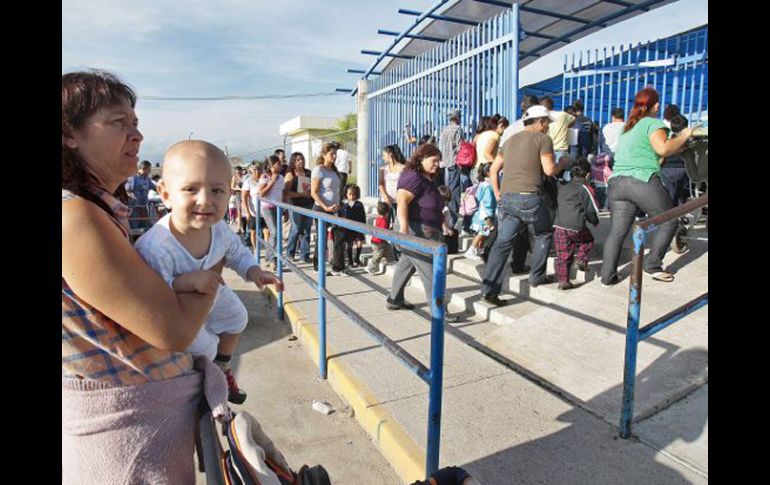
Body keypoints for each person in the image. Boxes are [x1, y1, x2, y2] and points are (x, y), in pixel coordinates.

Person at [62, 70, 226, 483]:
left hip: (138, 427)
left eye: (135, 123)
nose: (136, 135)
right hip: (128, 440)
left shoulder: (93, 210)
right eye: (118, 123)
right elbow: (172, 330)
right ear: (69, 134)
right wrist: (215, 260)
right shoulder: (74, 216)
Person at [134, 140, 284, 404]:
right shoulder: (157, 246)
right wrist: (188, 281)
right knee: (205, 347)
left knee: (238, 318)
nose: (205, 200)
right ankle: (204, 379)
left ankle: (223, 367)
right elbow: (154, 292)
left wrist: (254, 271)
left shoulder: (220, 230)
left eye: (217, 190)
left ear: (229, 193)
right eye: (191, 189)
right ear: (166, 194)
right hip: (179, 310)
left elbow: (237, 253)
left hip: (213, 291)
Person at [600, 87, 696, 286]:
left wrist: (676, 145)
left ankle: (607, 276)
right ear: (656, 105)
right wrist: (685, 135)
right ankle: (652, 265)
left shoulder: (629, 128)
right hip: (641, 180)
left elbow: (658, 153)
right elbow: (662, 148)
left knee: (618, 231)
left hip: (617, 183)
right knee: (670, 220)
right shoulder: (653, 123)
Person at [480, 105, 571, 306]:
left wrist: (498, 194)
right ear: (540, 122)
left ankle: (489, 290)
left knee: (502, 244)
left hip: (508, 200)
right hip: (531, 198)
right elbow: (549, 170)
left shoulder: (509, 140)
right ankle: (536, 276)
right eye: (547, 123)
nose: (548, 127)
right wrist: (563, 163)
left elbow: (494, 169)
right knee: (544, 233)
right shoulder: (543, 139)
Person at [386, 144, 460, 322]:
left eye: (439, 160)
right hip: (414, 230)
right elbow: (402, 200)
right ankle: (439, 310)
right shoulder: (413, 176)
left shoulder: (426, 178)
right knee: (432, 271)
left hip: (426, 230)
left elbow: (432, 206)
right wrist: (403, 229)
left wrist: (443, 225)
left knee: (406, 264)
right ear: (421, 158)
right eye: (434, 160)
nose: (438, 164)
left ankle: (395, 299)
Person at [553, 158, 600, 290]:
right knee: (588, 240)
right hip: (576, 226)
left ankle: (563, 281)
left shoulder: (563, 187)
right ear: (588, 175)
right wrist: (595, 221)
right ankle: (581, 259)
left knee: (563, 254)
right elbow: (591, 209)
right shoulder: (585, 188)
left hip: (559, 226)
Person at [311, 142, 347, 275]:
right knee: (322, 238)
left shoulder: (335, 170)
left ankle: (338, 267)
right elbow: (314, 192)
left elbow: (336, 190)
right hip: (322, 209)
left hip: (335, 209)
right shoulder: (319, 170)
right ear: (324, 155)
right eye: (331, 154)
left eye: (335, 154)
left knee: (339, 236)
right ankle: (318, 265)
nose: (334, 156)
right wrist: (326, 207)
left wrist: (339, 204)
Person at [253, 155, 285, 269]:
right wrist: (272, 182)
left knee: (276, 233)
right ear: (271, 166)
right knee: (275, 232)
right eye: (278, 164)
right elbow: (261, 193)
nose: (280, 165)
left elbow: (281, 193)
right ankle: (272, 259)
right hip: (267, 207)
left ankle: (268, 256)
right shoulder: (265, 177)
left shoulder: (281, 177)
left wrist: (284, 207)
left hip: (278, 207)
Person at [283, 152, 314, 263]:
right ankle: (290, 253)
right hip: (295, 206)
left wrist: (311, 192)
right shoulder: (290, 174)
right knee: (296, 229)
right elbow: (287, 193)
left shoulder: (308, 173)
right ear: (293, 162)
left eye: (302, 159)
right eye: (298, 160)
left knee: (307, 230)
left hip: (309, 204)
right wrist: (301, 195)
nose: (301, 161)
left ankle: (305, 255)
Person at [464, 163, 496, 261]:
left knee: (482, 233)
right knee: (482, 232)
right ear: (488, 172)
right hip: (485, 214)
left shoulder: (481, 184)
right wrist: (490, 216)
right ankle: (471, 249)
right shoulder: (488, 186)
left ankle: (480, 250)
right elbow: (488, 202)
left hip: (479, 213)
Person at [438, 109, 466, 222]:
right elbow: (460, 147)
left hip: (444, 163)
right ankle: (452, 218)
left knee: (446, 189)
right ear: (458, 118)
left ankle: (444, 215)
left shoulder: (444, 130)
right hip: (454, 162)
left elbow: (440, 147)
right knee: (454, 191)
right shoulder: (458, 129)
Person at [540, 96, 576, 180]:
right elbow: (574, 120)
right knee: (564, 179)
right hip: (561, 151)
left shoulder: (541, 118)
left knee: (548, 178)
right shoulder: (562, 115)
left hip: (546, 151)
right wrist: (566, 125)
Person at [659, 114, 691, 207]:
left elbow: (662, 155)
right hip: (683, 168)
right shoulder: (688, 140)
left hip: (667, 168)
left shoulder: (668, 139)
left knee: (669, 193)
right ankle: (679, 208)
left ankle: (670, 212)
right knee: (680, 192)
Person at [339, 184, 367, 267]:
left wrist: (364, 227)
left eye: (353, 194)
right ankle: (350, 261)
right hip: (348, 228)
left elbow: (363, 216)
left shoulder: (359, 204)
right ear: (346, 194)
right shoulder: (344, 205)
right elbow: (341, 216)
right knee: (349, 243)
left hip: (358, 226)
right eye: (349, 194)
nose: (351, 196)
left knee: (359, 242)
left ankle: (357, 259)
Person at [366, 201, 396, 275]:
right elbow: (384, 232)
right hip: (379, 242)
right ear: (387, 213)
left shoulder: (378, 219)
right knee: (377, 256)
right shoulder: (384, 221)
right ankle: (370, 268)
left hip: (377, 240)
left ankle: (390, 259)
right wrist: (391, 229)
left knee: (388, 248)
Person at [125, 159, 154, 229]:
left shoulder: (147, 179)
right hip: (134, 207)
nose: (150, 172)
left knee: (146, 226)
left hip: (143, 206)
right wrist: (132, 197)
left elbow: (154, 187)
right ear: (143, 168)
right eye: (148, 169)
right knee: (135, 226)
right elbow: (126, 190)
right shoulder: (133, 178)